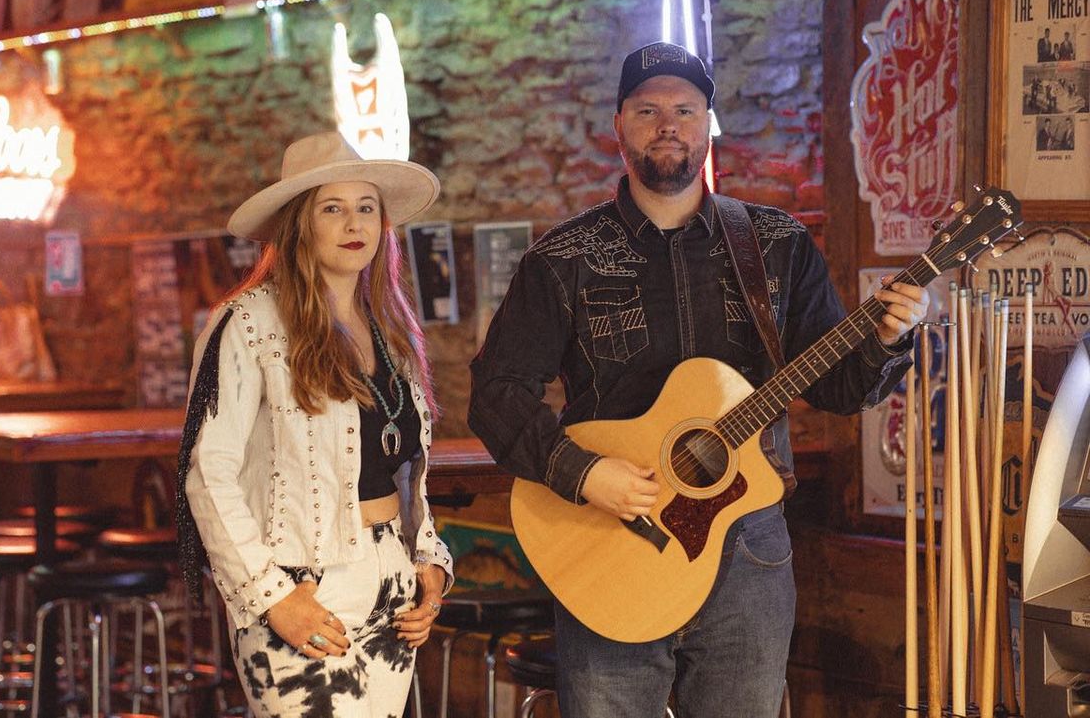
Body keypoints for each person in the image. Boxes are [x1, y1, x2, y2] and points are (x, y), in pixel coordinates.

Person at [467, 42, 929, 718]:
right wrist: (582, 472)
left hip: (748, 550)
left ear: (707, 123)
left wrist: (887, 339)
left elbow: (835, 388)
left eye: (685, 108)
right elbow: (496, 394)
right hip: (613, 540)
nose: (668, 123)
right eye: (648, 108)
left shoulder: (776, 243)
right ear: (619, 124)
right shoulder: (561, 259)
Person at [177, 132, 454, 718]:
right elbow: (208, 474)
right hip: (302, 585)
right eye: (332, 208)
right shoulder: (248, 323)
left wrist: (429, 559)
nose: (353, 222)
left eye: (366, 207)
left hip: (392, 585)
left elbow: (406, 469)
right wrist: (270, 597)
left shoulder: (390, 330)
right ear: (299, 224)